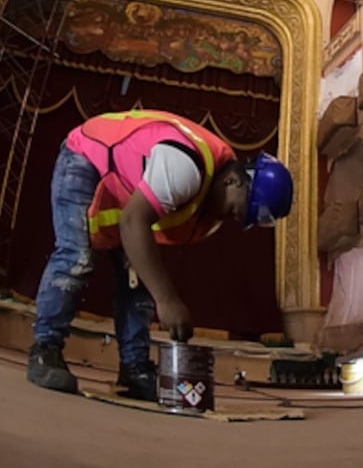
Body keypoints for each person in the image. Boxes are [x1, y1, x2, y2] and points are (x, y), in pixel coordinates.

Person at [26, 109, 294, 401]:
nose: (237, 218)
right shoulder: (186, 167)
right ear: (233, 181)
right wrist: (167, 300)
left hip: (123, 189)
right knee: (76, 258)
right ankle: (45, 350)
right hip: (86, 157)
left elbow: (139, 234)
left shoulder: (207, 207)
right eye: (239, 209)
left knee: (137, 279)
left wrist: (160, 292)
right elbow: (133, 222)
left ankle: (135, 369)